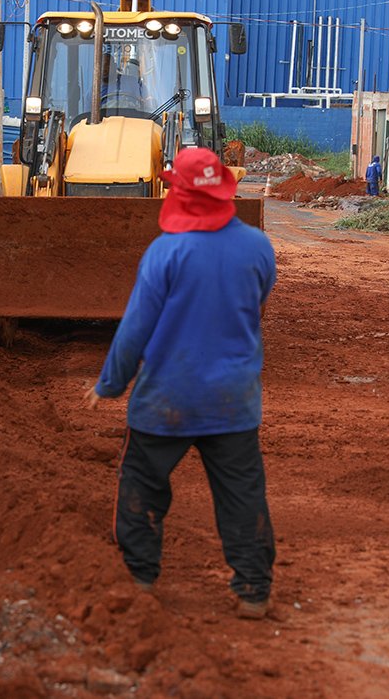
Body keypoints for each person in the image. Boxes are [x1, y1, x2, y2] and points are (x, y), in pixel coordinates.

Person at [83, 147, 277, 619]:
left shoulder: (165, 252)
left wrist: (109, 384)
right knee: (242, 493)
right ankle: (253, 588)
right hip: (233, 400)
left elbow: (135, 329)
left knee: (142, 485)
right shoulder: (256, 247)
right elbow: (259, 300)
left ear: (181, 193)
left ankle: (139, 575)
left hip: (165, 399)